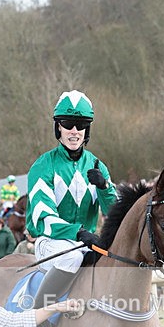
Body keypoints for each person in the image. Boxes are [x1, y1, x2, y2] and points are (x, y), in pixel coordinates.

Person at [26, 89, 117, 307]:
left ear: (88, 129)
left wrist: (104, 187)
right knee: (72, 257)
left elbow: (115, 211)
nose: (74, 131)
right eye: (68, 123)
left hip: (87, 242)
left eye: (82, 125)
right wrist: (77, 231)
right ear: (58, 126)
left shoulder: (97, 165)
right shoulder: (43, 166)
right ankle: (37, 314)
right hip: (51, 242)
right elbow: (44, 216)